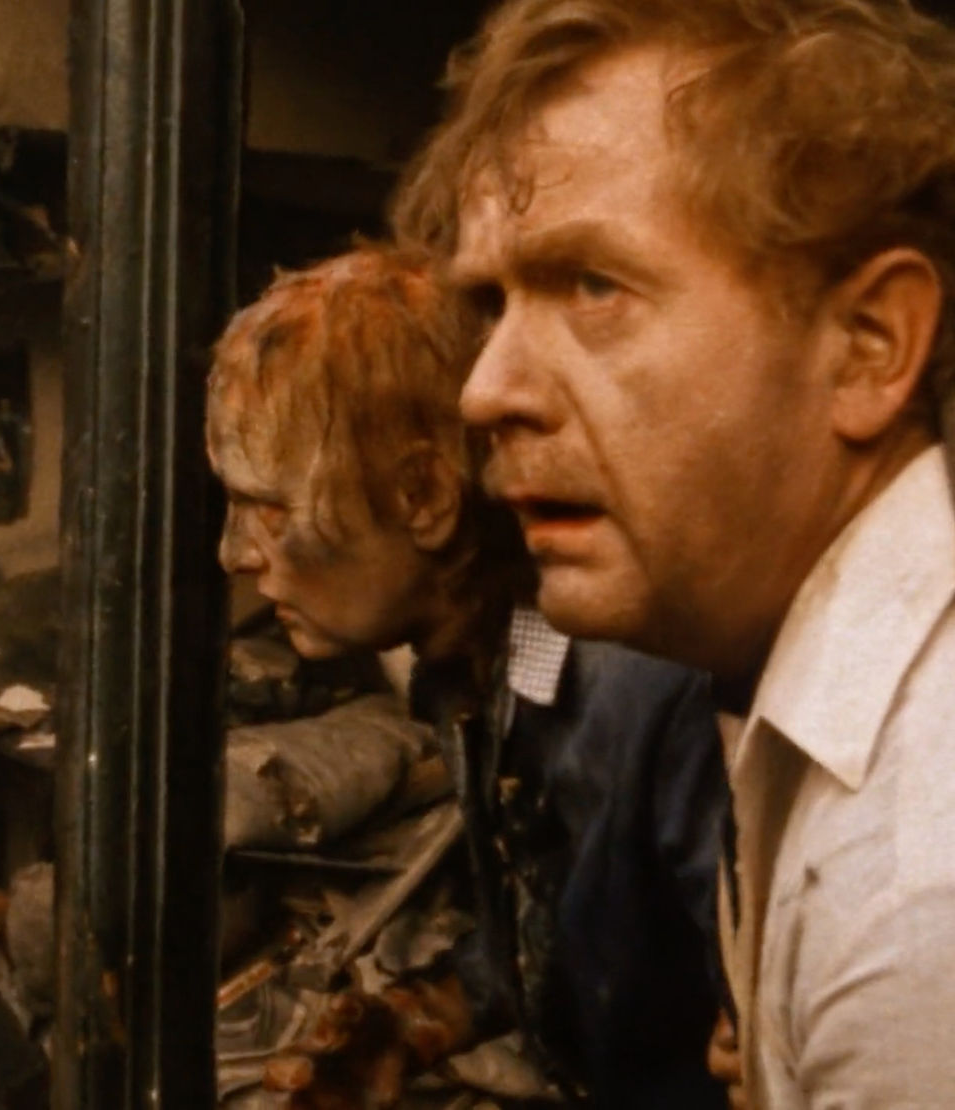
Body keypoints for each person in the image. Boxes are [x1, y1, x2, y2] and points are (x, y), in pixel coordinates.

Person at [391, 0, 955, 1104]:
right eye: (492, 303)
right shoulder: (790, 685)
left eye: (592, 286)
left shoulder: (916, 895)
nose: (483, 390)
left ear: (867, 346)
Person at [206, 246, 728, 1107]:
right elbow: (555, 932)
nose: (234, 556)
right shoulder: (471, 676)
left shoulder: (656, 698)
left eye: (268, 510)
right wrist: (424, 1019)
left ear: (424, 496)